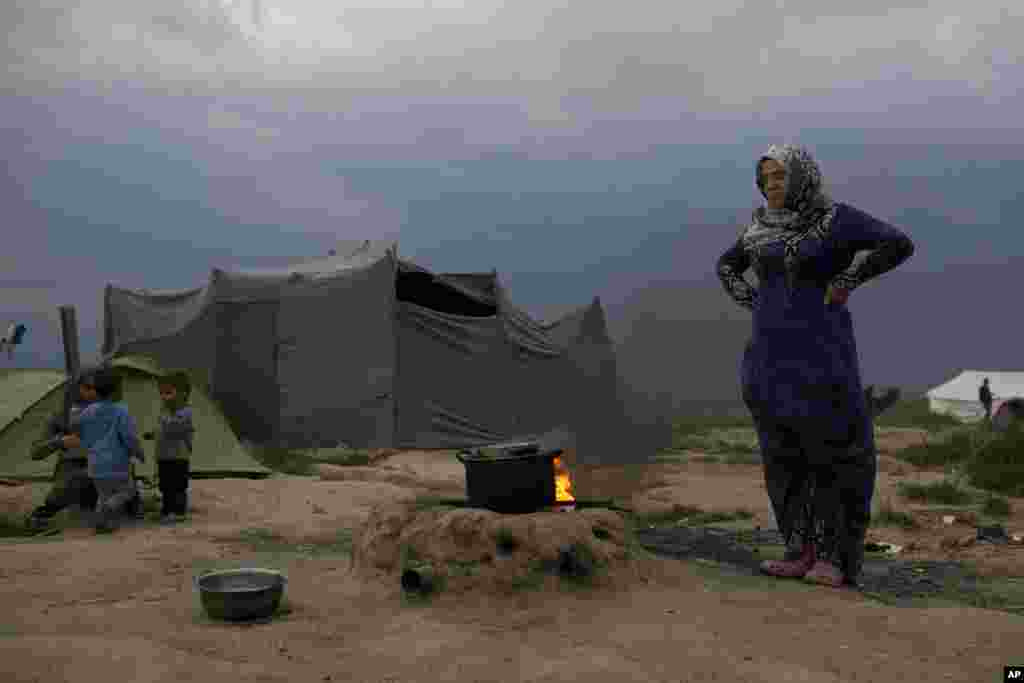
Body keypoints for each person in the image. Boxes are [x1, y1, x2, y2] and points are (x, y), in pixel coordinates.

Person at [717, 144, 914, 588]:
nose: (772, 185)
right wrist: (755, 301)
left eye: (780, 176)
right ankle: (797, 550)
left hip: (822, 353)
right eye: (766, 177)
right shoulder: (758, 228)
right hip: (768, 358)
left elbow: (897, 243)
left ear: (802, 177)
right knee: (782, 456)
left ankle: (835, 557)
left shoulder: (836, 219)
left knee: (833, 453)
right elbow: (726, 265)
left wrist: (849, 279)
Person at [58, 366, 146, 533]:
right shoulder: (121, 411)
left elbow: (75, 424)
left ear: (97, 390)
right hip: (117, 463)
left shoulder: (89, 411)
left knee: (103, 495)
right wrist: (138, 453)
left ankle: (102, 525)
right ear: (116, 391)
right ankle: (107, 510)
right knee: (128, 490)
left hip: (95, 464)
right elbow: (129, 437)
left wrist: (80, 434)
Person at [24, 372, 99, 531]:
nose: (90, 392)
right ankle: (43, 516)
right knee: (77, 477)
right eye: (86, 388)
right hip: (71, 470)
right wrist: (60, 441)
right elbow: (36, 452)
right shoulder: (60, 418)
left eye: (94, 388)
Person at [142, 370, 194, 524]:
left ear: (183, 393)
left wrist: (166, 419)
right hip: (164, 455)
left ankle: (178, 512)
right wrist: (153, 434)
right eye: (162, 393)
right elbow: (163, 429)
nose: (164, 397)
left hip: (178, 456)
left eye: (168, 393)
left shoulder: (185, 412)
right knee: (165, 485)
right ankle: (166, 510)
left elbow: (173, 427)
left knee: (177, 485)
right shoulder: (165, 411)